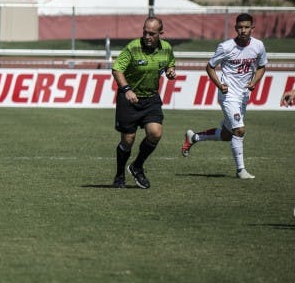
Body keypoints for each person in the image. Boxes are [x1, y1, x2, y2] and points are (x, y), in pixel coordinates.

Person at [181, 13, 267, 179]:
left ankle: (194, 137)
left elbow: (262, 66)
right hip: (227, 95)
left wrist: (254, 81)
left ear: (252, 28)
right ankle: (241, 170)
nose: (243, 30)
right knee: (239, 130)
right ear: (235, 28)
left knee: (228, 135)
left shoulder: (258, 46)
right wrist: (220, 85)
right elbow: (210, 66)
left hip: (243, 96)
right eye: (240, 27)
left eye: (246, 27)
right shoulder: (226, 47)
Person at [111, 16, 177, 189]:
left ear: (160, 34)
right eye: (145, 32)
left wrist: (171, 71)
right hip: (129, 98)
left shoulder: (166, 48)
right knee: (128, 140)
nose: (147, 36)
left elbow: (170, 63)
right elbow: (117, 69)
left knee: (155, 133)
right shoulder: (133, 47)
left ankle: (137, 166)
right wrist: (127, 90)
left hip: (151, 98)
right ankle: (119, 176)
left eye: (152, 34)